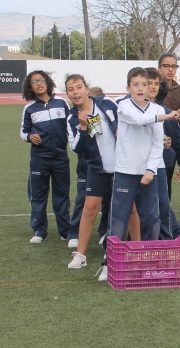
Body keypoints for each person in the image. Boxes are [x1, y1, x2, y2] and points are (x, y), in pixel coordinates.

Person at [103, 67, 177, 281]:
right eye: (135, 84)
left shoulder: (155, 109)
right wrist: (166, 116)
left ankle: (147, 262)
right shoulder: (124, 105)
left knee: (151, 218)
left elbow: (157, 146)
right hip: (125, 172)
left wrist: (150, 170)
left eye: (144, 84)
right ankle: (109, 263)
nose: (140, 88)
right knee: (118, 218)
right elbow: (137, 120)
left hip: (147, 175)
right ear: (128, 87)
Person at [65, 74, 122, 269]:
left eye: (78, 87)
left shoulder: (106, 104)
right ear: (68, 94)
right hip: (97, 168)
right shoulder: (72, 117)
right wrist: (82, 127)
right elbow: (76, 148)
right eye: (71, 89)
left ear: (86, 89)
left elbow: (122, 125)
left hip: (121, 167)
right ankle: (80, 254)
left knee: (127, 210)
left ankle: (129, 249)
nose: (75, 92)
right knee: (89, 208)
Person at [20, 70, 71, 244]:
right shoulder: (29, 108)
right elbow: (23, 131)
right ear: (30, 87)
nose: (39, 84)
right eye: (34, 82)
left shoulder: (61, 103)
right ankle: (39, 231)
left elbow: (70, 127)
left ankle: (65, 230)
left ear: (47, 82)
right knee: (38, 196)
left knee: (62, 195)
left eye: (41, 80)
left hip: (60, 158)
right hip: (39, 159)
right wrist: (29, 137)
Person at [145, 67, 180, 240]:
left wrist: (166, 144)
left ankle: (169, 237)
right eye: (148, 83)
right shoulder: (124, 105)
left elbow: (174, 138)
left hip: (159, 164)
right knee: (132, 206)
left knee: (162, 202)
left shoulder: (162, 109)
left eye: (156, 84)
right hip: (133, 165)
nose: (153, 87)